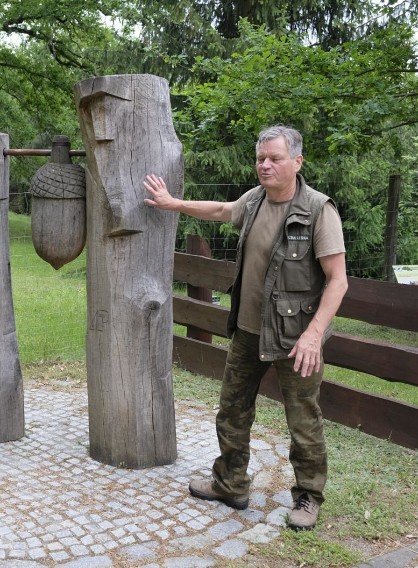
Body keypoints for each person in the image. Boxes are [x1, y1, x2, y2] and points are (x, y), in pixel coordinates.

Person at [143, 125, 348, 530]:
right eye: (261, 158)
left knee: (303, 420)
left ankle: (308, 498)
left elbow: (338, 280)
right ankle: (230, 484)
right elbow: (221, 210)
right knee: (232, 411)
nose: (265, 165)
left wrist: (313, 334)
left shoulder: (318, 210)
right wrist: (172, 203)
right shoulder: (255, 201)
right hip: (248, 331)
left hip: (295, 339)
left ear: (297, 161)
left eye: (275, 158)